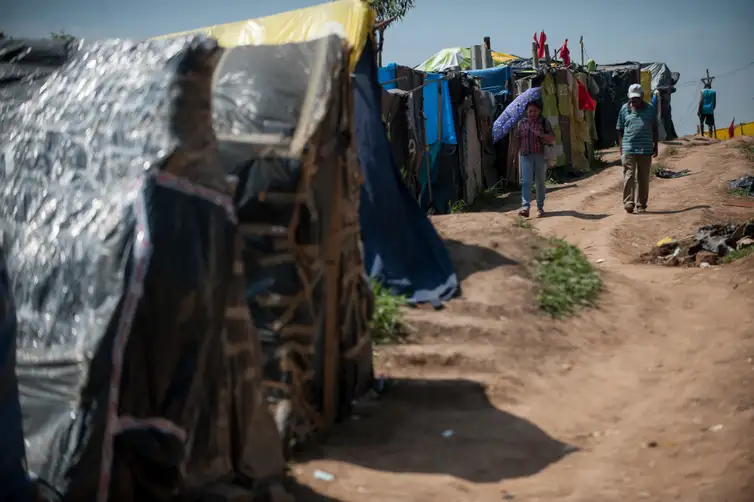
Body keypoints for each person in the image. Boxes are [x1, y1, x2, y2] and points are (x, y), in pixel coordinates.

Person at [616, 83, 658, 214]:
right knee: (629, 175)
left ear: (642, 97)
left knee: (643, 177)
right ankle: (628, 202)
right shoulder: (624, 109)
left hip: (645, 149)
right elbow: (620, 129)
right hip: (628, 147)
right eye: (632, 98)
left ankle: (641, 204)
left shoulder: (650, 109)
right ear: (629, 97)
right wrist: (621, 147)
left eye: (637, 98)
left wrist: (655, 145)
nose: (634, 101)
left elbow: (655, 128)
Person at [515, 101, 554, 218]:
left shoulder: (543, 122)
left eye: (535, 111)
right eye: (530, 111)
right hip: (525, 156)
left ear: (539, 111)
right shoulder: (521, 123)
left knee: (540, 182)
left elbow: (552, 138)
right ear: (526, 111)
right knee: (526, 182)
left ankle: (540, 207)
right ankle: (525, 207)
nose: (532, 113)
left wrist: (540, 134)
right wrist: (516, 155)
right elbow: (518, 139)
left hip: (540, 156)